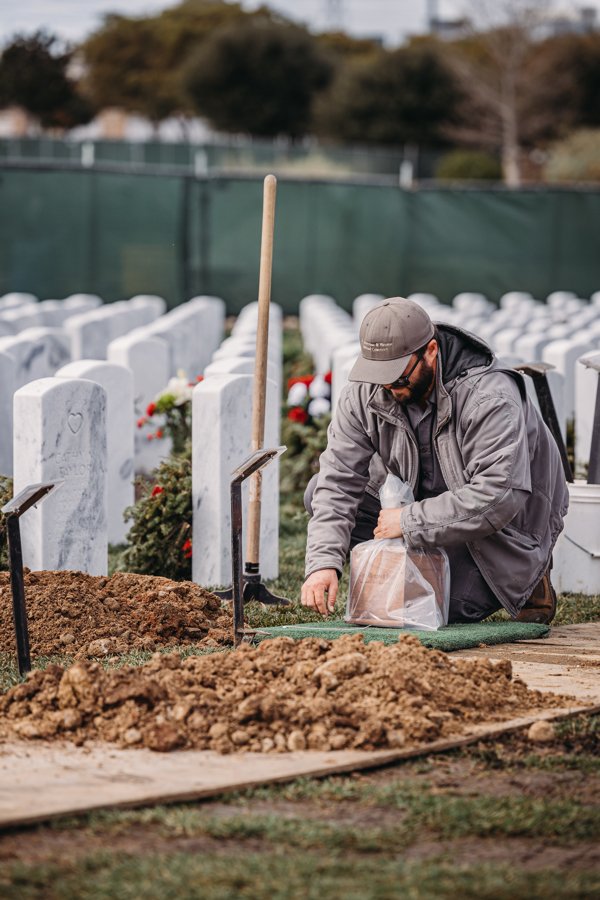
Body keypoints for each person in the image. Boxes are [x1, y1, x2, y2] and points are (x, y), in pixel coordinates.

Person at [301, 297, 569, 625]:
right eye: (380, 374)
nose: (388, 386)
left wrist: (408, 522)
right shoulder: (366, 390)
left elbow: (498, 496)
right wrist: (323, 563)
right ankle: (411, 572)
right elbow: (337, 478)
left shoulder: (489, 397)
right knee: (316, 490)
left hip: (499, 530)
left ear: (430, 351)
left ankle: (528, 580)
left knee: (439, 608)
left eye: (398, 376)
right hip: (422, 505)